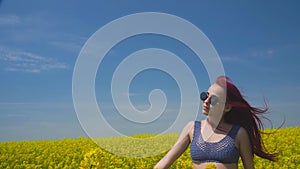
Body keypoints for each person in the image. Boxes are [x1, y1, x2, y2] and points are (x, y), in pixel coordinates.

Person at [154, 76, 277, 169]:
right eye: (205, 96)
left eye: (213, 99)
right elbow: (164, 162)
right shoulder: (191, 128)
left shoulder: (239, 133)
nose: (206, 101)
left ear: (227, 107)